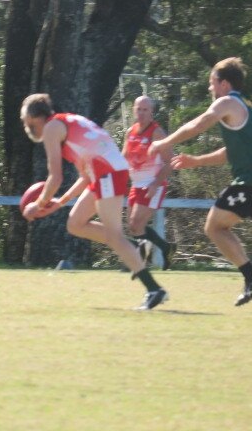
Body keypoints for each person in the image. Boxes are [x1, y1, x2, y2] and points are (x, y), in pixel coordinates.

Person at [20, 93, 168, 310]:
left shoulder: (52, 128)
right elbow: (85, 176)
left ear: (33, 117)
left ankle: (154, 289)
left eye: (26, 121)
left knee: (114, 236)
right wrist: (61, 202)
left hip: (107, 173)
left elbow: (55, 177)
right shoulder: (68, 121)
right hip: (105, 173)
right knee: (75, 224)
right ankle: (135, 248)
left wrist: (40, 204)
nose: (27, 126)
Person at [149, 57, 252, 306]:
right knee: (215, 226)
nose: (209, 89)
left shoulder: (227, 102)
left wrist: (165, 142)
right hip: (246, 182)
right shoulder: (245, 107)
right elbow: (230, 153)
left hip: (248, 183)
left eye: (211, 83)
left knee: (214, 227)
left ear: (224, 84)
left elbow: (200, 123)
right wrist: (196, 161)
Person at [121, 95, 176, 269]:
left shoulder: (156, 132)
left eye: (145, 109)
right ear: (133, 110)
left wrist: (155, 184)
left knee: (136, 224)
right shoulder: (130, 132)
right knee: (133, 227)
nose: (142, 113)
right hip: (136, 184)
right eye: (139, 109)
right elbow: (123, 158)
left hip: (153, 183)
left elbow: (170, 162)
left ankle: (138, 260)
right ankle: (165, 248)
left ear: (151, 112)